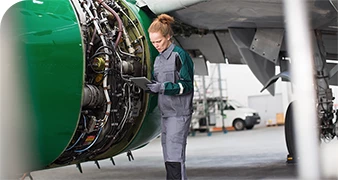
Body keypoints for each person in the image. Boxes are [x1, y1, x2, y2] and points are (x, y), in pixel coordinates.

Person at [147, 14, 194, 180]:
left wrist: (162, 87)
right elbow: (160, 84)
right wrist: (152, 87)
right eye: (153, 42)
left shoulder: (179, 55)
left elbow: (187, 85)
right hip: (165, 114)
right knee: (168, 156)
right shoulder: (159, 60)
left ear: (168, 36)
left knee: (175, 156)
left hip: (179, 113)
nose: (156, 45)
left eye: (158, 41)